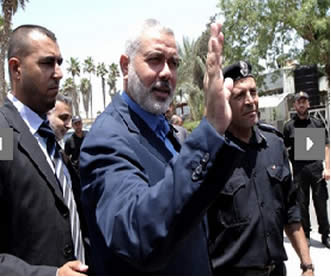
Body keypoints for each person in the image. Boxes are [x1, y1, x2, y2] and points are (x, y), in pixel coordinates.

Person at [79, 19, 238, 275]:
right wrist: (210, 131)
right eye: (155, 59)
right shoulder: (106, 139)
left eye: (174, 63)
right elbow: (137, 234)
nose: (167, 73)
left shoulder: (168, 132)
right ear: (125, 66)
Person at [207, 61, 313, 276]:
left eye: (253, 92)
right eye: (239, 95)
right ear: (225, 102)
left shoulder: (274, 145)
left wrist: (307, 265)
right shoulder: (212, 154)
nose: (250, 101)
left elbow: (291, 212)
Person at [0, 25, 88, 275]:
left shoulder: (48, 138)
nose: (59, 73)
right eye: (47, 63)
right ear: (16, 69)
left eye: (59, 62)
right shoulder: (3, 135)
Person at [283, 91, 330, 248]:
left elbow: (326, 146)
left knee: (321, 204)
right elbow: (284, 150)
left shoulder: (317, 123)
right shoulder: (289, 126)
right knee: (301, 205)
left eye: (304, 101)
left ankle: (325, 234)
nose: (302, 104)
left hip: (317, 170)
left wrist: (327, 168)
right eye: (299, 102)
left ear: (308, 104)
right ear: (295, 105)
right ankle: (307, 236)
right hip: (299, 172)